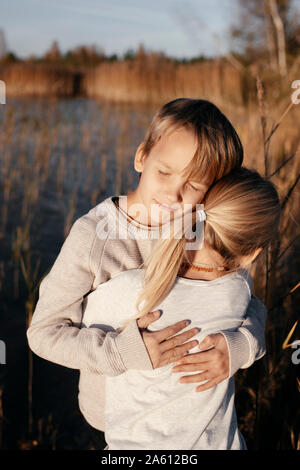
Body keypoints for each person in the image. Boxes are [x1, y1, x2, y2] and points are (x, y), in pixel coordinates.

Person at [27, 98, 267, 445]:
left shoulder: (200, 229)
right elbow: (44, 334)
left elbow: (248, 302)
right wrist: (121, 353)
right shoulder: (93, 237)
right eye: (164, 172)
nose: (173, 193)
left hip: (188, 417)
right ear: (142, 156)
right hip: (116, 420)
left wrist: (241, 347)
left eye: (195, 185)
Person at [82, 167, 280, 450]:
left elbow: (80, 326)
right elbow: (257, 309)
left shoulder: (133, 291)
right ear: (252, 255)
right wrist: (246, 345)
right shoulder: (239, 290)